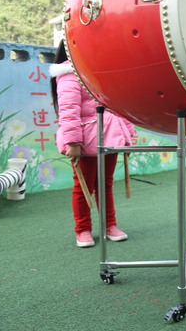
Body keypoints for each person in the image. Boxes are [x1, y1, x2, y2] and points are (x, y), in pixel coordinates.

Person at [50, 42, 136, 248]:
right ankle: (83, 229)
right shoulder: (69, 75)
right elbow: (69, 111)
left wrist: (128, 135)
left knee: (105, 183)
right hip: (85, 139)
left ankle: (109, 225)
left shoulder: (105, 72)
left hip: (111, 136)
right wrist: (73, 141)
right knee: (83, 186)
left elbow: (120, 105)